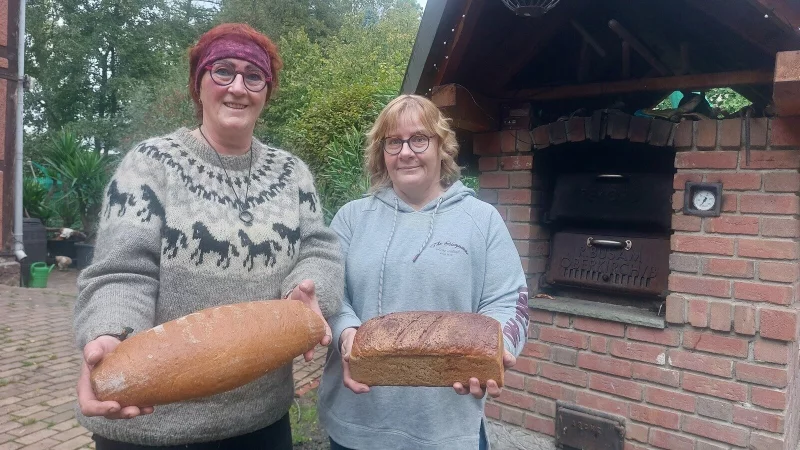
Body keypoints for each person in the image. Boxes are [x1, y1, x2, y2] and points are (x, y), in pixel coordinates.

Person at [73, 23, 343, 449]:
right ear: (198, 85)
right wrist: (111, 334)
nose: (238, 86)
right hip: (150, 424)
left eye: (253, 76)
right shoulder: (150, 165)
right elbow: (121, 270)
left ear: (266, 93)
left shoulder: (293, 174)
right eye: (222, 71)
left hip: (260, 422)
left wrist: (308, 293)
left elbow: (319, 249)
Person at [317, 94, 530, 450]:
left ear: (441, 147)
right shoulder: (352, 218)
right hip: (358, 420)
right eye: (393, 141)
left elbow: (509, 299)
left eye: (419, 139)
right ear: (381, 152)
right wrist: (346, 333)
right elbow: (331, 293)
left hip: (446, 427)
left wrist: (498, 348)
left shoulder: (481, 220)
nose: (405, 152)